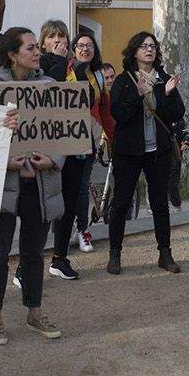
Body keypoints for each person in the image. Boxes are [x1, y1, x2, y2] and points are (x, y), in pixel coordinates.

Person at [0, 28, 65, 344]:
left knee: (33, 252)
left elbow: (65, 134)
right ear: (12, 54)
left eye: (36, 48)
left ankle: (34, 312)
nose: (37, 52)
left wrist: (53, 160)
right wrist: (4, 161)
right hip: (3, 185)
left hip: (40, 186)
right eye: (30, 48)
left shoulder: (50, 88)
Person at [106, 31, 188, 275]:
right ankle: (115, 254)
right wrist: (137, 95)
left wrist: (169, 94)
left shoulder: (163, 78)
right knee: (120, 203)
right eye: (143, 46)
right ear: (134, 51)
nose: (149, 50)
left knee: (160, 203)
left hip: (158, 151)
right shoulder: (124, 80)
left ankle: (165, 253)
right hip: (129, 152)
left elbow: (175, 113)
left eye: (152, 46)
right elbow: (119, 114)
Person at [49, 32, 109, 277]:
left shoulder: (97, 76)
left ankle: (67, 247)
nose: (85, 49)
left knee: (78, 194)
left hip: (86, 143)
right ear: (74, 49)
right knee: (54, 197)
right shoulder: (66, 70)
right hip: (58, 143)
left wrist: (109, 137)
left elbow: (104, 110)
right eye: (80, 45)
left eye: (89, 45)